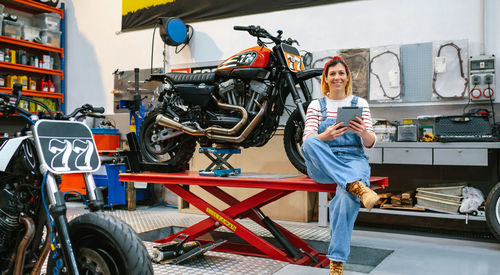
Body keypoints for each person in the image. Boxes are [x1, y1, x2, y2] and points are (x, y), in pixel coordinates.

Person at [300, 56, 379, 275]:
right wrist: (325, 136)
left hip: (354, 159)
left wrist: (363, 132)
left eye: (341, 73)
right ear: (325, 78)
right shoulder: (317, 105)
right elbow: (309, 140)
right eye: (332, 73)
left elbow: (371, 143)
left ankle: (336, 263)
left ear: (347, 77)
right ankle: (354, 184)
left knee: (346, 198)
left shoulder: (359, 104)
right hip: (324, 163)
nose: (337, 77)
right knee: (310, 143)